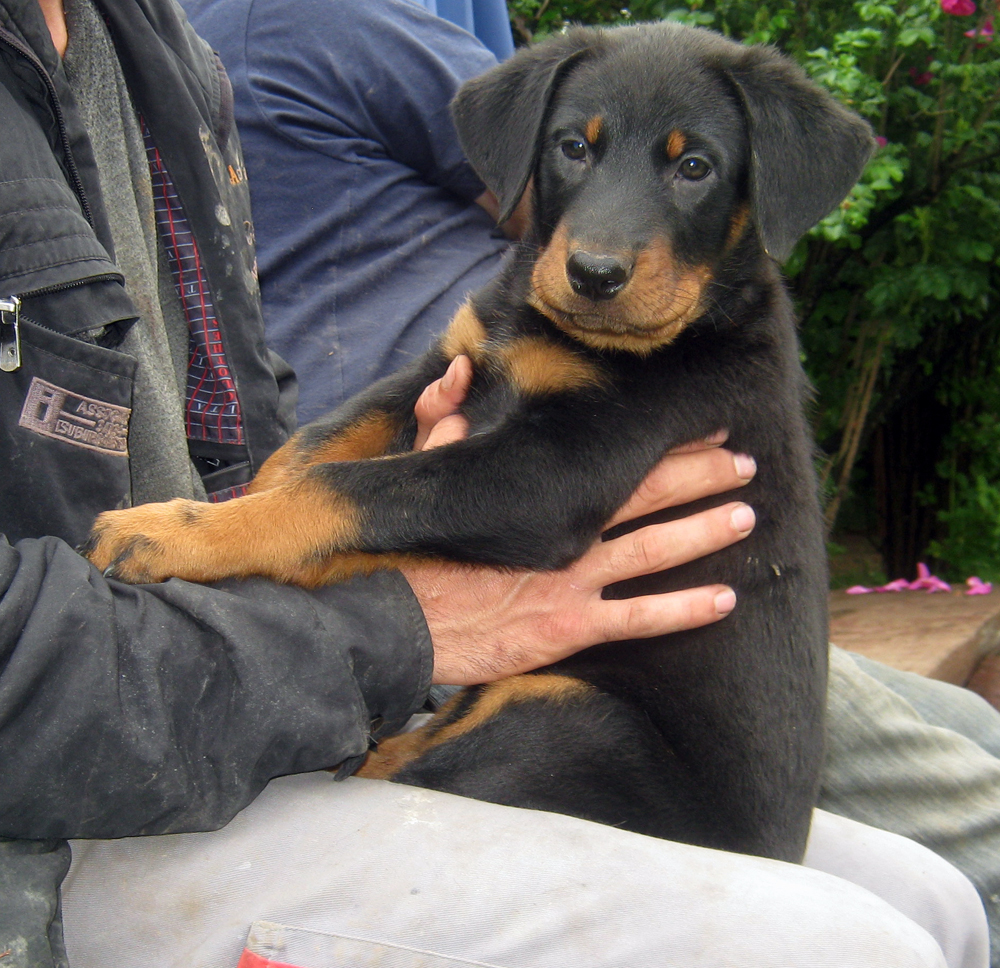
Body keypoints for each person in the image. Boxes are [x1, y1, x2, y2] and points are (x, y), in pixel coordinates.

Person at [0, 0, 992, 966]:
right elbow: (418, 448)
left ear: (754, 204)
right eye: (576, 151)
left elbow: (511, 487)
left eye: (690, 169)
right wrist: (294, 542)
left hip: (653, 764)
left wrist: (272, 515)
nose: (602, 244)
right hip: (89, 792)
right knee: (864, 943)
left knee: (937, 898)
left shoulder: (155, 53)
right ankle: (391, 773)